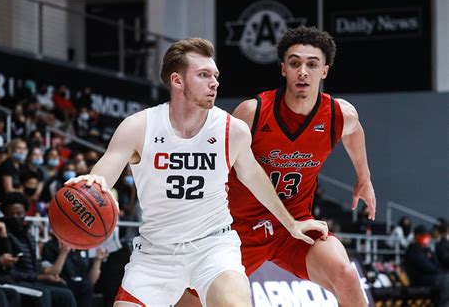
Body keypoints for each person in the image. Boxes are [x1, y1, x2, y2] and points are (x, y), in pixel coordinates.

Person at [66, 37, 328, 307]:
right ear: (177, 81)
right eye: (203, 75)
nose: (214, 82)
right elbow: (100, 181)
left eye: (215, 75)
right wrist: (91, 186)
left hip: (213, 246)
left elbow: (255, 178)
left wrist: (291, 223)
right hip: (156, 253)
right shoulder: (139, 127)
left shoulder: (231, 129)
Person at [178, 26, 376, 307]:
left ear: (325, 71)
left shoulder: (339, 115)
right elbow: (212, 164)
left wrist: (363, 177)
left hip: (295, 228)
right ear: (284, 69)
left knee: (345, 273)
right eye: (295, 63)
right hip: (240, 231)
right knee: (186, 301)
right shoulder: (253, 112)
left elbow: (354, 131)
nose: (303, 71)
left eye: (312, 64)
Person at [404, 225, 449, 306]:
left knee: (445, 277)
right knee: (445, 279)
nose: (427, 237)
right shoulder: (413, 249)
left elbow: (436, 264)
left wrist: (429, 251)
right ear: (417, 236)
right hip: (419, 280)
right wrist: (439, 272)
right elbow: (427, 267)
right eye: (424, 235)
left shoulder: (426, 249)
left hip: (431, 278)